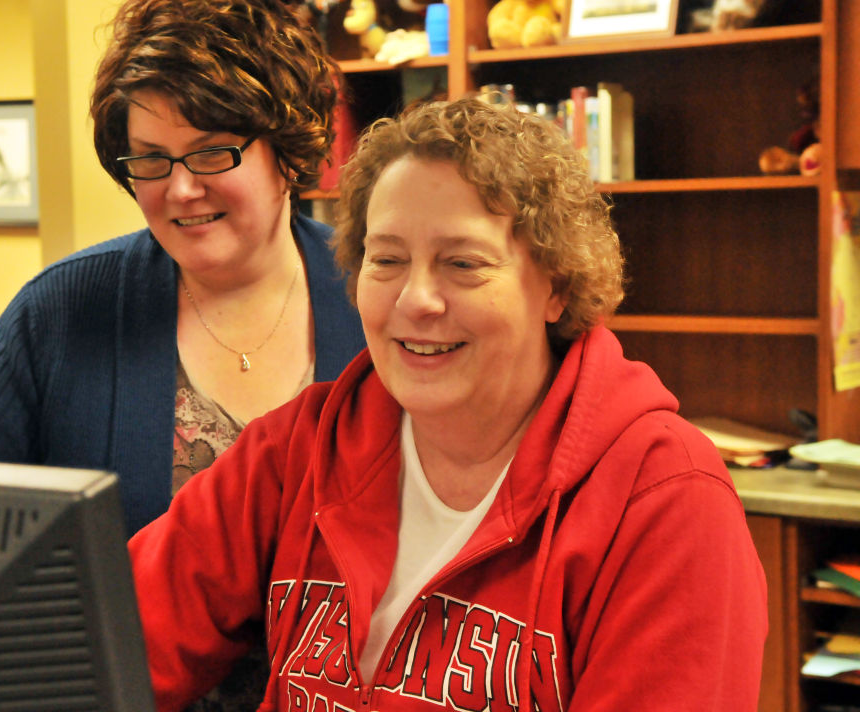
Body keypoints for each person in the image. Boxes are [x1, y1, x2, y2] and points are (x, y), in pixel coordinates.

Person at [127, 96, 768, 711]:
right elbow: (104, 643)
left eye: (462, 263)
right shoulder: (298, 449)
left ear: (556, 286)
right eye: (387, 259)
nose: (416, 300)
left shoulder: (664, 500)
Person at [0, 0, 365, 537]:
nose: (181, 189)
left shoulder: (378, 293)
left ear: (288, 151)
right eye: (152, 159)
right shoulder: (62, 310)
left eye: (211, 152)